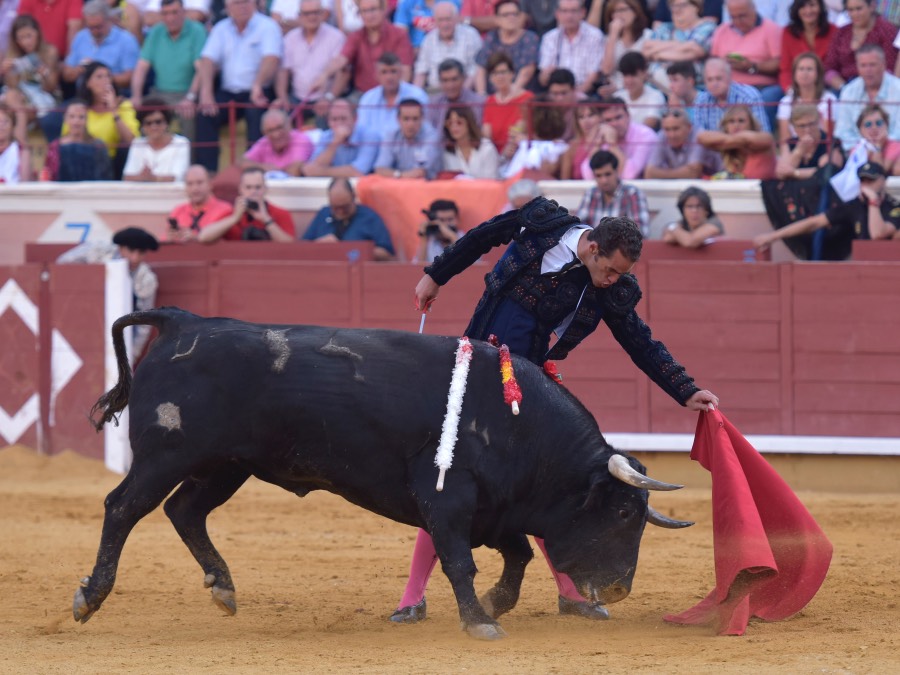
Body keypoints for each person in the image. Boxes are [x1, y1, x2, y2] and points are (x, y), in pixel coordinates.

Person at [394, 199, 718, 624]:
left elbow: (641, 342)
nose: (613, 280)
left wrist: (685, 389)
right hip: (474, 379)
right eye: (611, 269)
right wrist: (436, 276)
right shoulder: (541, 224)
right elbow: (483, 236)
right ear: (592, 248)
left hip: (531, 395)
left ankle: (571, 592)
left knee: (541, 487)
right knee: (448, 480)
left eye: (622, 274)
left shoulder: (608, 292)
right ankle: (412, 598)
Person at [194, 0, 283, 174]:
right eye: (237, 3)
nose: (242, 6)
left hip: (259, 89)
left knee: (256, 112)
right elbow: (207, 60)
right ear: (227, 7)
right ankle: (208, 172)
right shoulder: (221, 28)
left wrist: (257, 85)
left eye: (246, 2)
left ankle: (253, 171)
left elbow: (271, 59)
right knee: (205, 113)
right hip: (228, 92)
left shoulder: (268, 26)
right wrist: (206, 92)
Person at [754, 161, 900, 259]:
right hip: (861, 266)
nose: (866, 185)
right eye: (863, 180)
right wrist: (773, 236)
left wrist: (873, 202)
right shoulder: (854, 206)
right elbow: (814, 223)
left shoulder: (894, 207)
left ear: (883, 180)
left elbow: (877, 234)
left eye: (871, 180)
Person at [57, 227, 159, 358]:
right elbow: (63, 263)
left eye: (141, 252)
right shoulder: (97, 251)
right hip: (81, 317)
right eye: (131, 251)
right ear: (120, 248)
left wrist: (131, 355)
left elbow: (144, 323)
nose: (135, 258)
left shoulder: (146, 280)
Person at [129, 0, 207, 142]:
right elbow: (141, 67)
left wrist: (190, 97)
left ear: (184, 12)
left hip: (185, 93)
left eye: (174, 12)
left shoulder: (197, 30)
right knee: (136, 112)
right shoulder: (156, 31)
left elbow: (201, 69)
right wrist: (136, 96)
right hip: (159, 93)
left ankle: (188, 161)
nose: (170, 18)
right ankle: (144, 160)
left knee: (188, 115)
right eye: (165, 14)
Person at [313, 0, 414, 96]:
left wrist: (398, 98)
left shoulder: (399, 35)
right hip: (361, 95)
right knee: (340, 109)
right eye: (364, 11)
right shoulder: (356, 36)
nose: (368, 15)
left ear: (384, 10)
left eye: (373, 9)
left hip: (393, 93)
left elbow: (405, 70)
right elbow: (342, 59)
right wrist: (324, 75)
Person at [69, 61, 139, 175]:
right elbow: (66, 138)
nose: (106, 81)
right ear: (88, 83)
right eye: (99, 77)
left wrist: (114, 111)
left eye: (108, 76)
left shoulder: (123, 106)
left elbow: (131, 141)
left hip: (112, 162)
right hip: (82, 159)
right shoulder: (80, 107)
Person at [273, 0, 346, 108]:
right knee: (277, 115)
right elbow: (283, 71)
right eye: (307, 13)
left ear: (322, 14)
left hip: (327, 99)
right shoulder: (290, 39)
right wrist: (282, 97)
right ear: (299, 16)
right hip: (296, 98)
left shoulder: (336, 37)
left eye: (316, 12)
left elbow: (343, 71)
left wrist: (329, 98)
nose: (312, 17)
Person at [302, 177, 396, 260]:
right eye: (335, 208)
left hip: (359, 271)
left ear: (353, 196)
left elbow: (388, 254)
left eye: (345, 207)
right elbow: (302, 248)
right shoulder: (324, 213)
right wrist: (319, 245)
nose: (340, 212)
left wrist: (355, 249)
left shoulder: (369, 217)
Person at [198, 167, 296, 243]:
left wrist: (266, 219)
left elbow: (290, 246)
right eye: (248, 187)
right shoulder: (233, 214)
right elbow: (203, 237)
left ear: (265, 189)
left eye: (258, 187)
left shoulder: (280, 213)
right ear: (240, 189)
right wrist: (235, 218)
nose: (253, 192)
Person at [61, 0, 140, 93]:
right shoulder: (81, 37)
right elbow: (66, 74)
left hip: (115, 95)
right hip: (83, 97)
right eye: (90, 27)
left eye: (98, 27)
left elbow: (129, 78)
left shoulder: (126, 40)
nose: (94, 31)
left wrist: (100, 77)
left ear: (109, 20)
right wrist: (80, 70)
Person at [834, 45, 900, 153]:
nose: (868, 70)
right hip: (857, 151)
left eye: (872, 65)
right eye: (863, 65)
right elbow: (844, 132)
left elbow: (898, 132)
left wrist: (880, 148)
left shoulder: (898, 89)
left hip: (893, 152)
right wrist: (863, 150)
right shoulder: (848, 91)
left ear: (883, 65)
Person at [642, 0, 714, 95]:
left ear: (696, 7)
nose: (677, 9)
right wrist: (686, 45)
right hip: (656, 90)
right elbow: (646, 50)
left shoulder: (707, 27)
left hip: (693, 91)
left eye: (682, 5)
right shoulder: (664, 28)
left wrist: (657, 54)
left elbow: (696, 51)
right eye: (673, 6)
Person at [823, 0, 898, 91]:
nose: (855, 14)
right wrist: (845, 88)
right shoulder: (841, 33)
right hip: (843, 88)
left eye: (859, 9)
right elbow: (829, 68)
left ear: (872, 6)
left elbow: (890, 67)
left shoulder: (886, 31)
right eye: (850, 10)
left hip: (878, 88)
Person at [537, 0, 605, 94]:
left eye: (574, 11)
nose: (569, 16)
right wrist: (546, 74)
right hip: (557, 94)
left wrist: (574, 96)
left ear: (583, 13)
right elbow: (543, 80)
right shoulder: (550, 38)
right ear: (557, 14)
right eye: (564, 11)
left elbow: (594, 75)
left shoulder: (595, 36)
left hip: (585, 94)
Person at [576, 149, 650, 234]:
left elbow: (642, 232)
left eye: (608, 174)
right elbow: (578, 227)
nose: (604, 180)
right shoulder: (591, 194)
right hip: (594, 246)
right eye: (599, 176)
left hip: (622, 246)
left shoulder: (633, 194)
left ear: (617, 171)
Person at [303, 98, 382, 177]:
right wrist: (334, 143)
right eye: (334, 119)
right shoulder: (326, 136)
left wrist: (321, 172)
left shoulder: (370, 136)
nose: (339, 124)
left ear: (354, 119)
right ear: (328, 121)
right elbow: (310, 169)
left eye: (343, 119)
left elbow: (358, 171)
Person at [473, 0, 539, 95]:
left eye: (514, 14)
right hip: (492, 95)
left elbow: (527, 70)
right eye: (506, 15)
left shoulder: (529, 38)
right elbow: (481, 67)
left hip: (518, 94)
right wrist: (481, 94)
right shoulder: (491, 37)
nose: (511, 18)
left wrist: (509, 95)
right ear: (497, 19)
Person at [1, 15, 60, 120]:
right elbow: (13, 85)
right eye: (21, 38)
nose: (26, 42)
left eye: (29, 36)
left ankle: (21, 127)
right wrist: (6, 72)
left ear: (37, 33)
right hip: (20, 97)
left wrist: (45, 75)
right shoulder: (12, 55)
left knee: (12, 102)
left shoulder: (49, 52)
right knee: (10, 98)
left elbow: (51, 87)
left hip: (44, 96)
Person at [414, 1, 483, 92]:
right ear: (435, 20)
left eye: (448, 19)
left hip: (465, 91)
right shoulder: (428, 40)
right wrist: (415, 95)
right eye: (441, 20)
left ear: (456, 19)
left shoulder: (471, 35)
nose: (444, 24)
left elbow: (475, 70)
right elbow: (421, 72)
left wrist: (461, 94)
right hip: (436, 91)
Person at [357, 51, 429, 137]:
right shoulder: (367, 99)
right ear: (376, 75)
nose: (389, 77)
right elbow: (361, 132)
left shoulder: (417, 95)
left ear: (400, 73)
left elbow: (425, 130)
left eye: (393, 71)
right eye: (384, 72)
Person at [698, 103, 777, 179]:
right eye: (731, 121)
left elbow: (747, 139)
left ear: (751, 124)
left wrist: (725, 140)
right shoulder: (728, 146)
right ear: (726, 126)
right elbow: (701, 137)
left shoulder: (765, 137)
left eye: (741, 121)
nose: (736, 125)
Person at [693, 57, 770, 132]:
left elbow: (763, 133)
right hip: (712, 145)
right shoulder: (701, 100)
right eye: (710, 80)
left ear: (730, 77)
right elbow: (699, 137)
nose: (714, 84)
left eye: (719, 78)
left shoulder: (750, 96)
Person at [588, 95, 657, 180]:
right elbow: (588, 175)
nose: (614, 124)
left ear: (628, 116)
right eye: (608, 120)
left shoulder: (646, 135)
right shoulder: (605, 136)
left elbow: (630, 175)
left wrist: (613, 146)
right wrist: (597, 146)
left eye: (618, 117)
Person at [123, 98, 191, 182]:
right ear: (142, 126)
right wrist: (143, 177)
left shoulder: (181, 143)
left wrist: (151, 178)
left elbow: (177, 178)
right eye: (148, 123)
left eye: (158, 122)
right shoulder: (137, 144)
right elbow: (127, 177)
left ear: (166, 122)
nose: (153, 127)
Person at [43, 99, 113, 181]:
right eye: (72, 116)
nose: (76, 122)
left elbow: (105, 178)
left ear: (87, 120)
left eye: (81, 117)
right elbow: (48, 177)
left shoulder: (98, 145)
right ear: (65, 119)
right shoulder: (55, 146)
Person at [500, 95, 568, 178]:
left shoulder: (552, 147)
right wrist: (506, 156)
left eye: (524, 119)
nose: (520, 122)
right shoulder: (524, 144)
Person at [645, 107, 723, 178]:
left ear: (689, 127)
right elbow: (649, 173)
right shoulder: (662, 135)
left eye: (676, 129)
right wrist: (681, 173)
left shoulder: (699, 135)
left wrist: (661, 173)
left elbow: (693, 173)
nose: (671, 135)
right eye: (667, 129)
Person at [374, 98, 443, 179]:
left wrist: (395, 175)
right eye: (406, 119)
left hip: (430, 186)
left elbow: (419, 173)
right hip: (401, 186)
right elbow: (380, 169)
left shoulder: (432, 136)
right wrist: (400, 175)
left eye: (415, 119)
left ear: (422, 119)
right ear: (398, 119)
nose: (411, 124)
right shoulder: (392, 136)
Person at [776, 52, 836, 141]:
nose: (805, 73)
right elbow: (785, 141)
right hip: (794, 150)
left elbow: (828, 137)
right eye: (801, 69)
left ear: (818, 74)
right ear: (794, 74)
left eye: (809, 69)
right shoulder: (785, 102)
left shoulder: (829, 99)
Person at [779, 0, 836, 93]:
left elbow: (834, 66)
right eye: (803, 6)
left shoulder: (834, 31)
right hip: (797, 85)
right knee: (771, 95)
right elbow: (785, 68)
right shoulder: (788, 32)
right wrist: (790, 90)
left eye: (812, 5)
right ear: (797, 9)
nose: (808, 11)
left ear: (820, 7)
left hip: (825, 84)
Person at [481, 51, 533, 151]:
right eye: (495, 73)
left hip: (519, 152)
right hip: (496, 156)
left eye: (503, 72)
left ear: (512, 74)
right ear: (490, 78)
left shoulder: (527, 98)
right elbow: (486, 134)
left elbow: (525, 129)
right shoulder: (489, 101)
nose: (499, 77)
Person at [166, 164, 234, 242]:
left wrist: (196, 238)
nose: (195, 188)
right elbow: (164, 242)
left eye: (199, 183)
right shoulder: (177, 211)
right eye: (190, 184)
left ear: (210, 184)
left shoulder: (225, 210)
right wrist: (170, 239)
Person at [241, 107, 314, 176]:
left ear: (289, 126)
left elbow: (295, 171)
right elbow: (242, 162)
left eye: (279, 128)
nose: (276, 134)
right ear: (264, 132)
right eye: (270, 130)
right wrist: (263, 167)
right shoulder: (265, 141)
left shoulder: (300, 139)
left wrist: (273, 171)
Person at [599, 0, 652, 93]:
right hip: (614, 91)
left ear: (635, 12)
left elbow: (645, 71)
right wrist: (613, 35)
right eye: (614, 12)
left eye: (623, 10)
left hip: (642, 89)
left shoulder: (648, 36)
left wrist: (620, 87)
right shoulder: (609, 39)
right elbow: (606, 71)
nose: (618, 15)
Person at [425, 57, 485, 130]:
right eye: (445, 80)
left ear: (463, 78)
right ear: (440, 82)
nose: (450, 86)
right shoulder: (433, 104)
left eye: (454, 79)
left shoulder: (478, 103)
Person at [442, 105, 500, 178]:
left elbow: (492, 181)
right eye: (450, 123)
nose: (454, 127)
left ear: (469, 123)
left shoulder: (487, 148)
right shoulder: (448, 153)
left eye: (459, 122)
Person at [614, 51, 666, 130]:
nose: (629, 80)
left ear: (644, 73)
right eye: (625, 75)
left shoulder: (655, 96)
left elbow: (649, 124)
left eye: (633, 75)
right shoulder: (617, 96)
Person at [16, 0, 82, 62]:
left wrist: (68, 62)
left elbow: (74, 28)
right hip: (32, 57)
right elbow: (21, 27)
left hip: (62, 58)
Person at [560, 98, 602, 179]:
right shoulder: (572, 147)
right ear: (577, 121)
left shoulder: (609, 140)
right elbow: (564, 181)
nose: (586, 121)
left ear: (600, 117)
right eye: (581, 117)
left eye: (591, 115)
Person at [414, 198, 463, 262]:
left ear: (457, 220)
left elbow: (471, 266)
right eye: (441, 220)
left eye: (450, 219)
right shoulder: (430, 241)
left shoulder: (468, 238)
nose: (445, 225)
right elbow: (417, 268)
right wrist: (424, 238)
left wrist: (452, 237)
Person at [0, 101, 30, 183]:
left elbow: (26, 184)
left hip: (14, 194)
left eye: (5, 122)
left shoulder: (22, 150)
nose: (1, 127)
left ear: (13, 125)